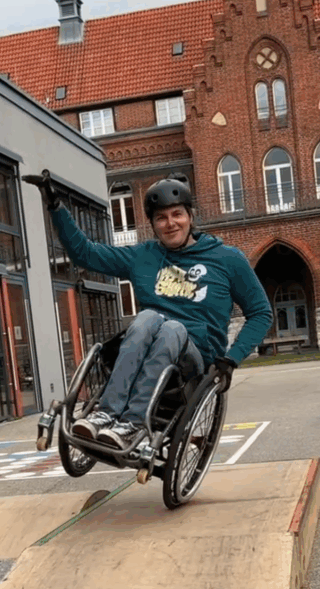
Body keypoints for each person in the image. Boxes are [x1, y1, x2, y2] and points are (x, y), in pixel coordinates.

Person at [25, 172, 272, 449]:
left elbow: (261, 313)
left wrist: (232, 359)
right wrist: (55, 206)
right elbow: (85, 254)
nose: (170, 223)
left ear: (190, 216)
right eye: (161, 218)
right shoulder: (144, 256)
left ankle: (133, 422)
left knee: (172, 327)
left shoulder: (227, 259)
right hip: (148, 342)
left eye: (177, 214)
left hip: (195, 359)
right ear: (153, 224)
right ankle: (106, 412)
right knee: (148, 316)